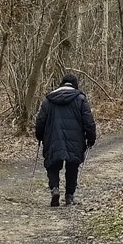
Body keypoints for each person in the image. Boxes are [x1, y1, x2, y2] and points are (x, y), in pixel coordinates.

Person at [33, 70, 98, 208]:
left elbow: (40, 121)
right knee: (72, 166)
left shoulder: (48, 100)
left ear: (61, 84)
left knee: (52, 164)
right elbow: (88, 121)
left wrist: (39, 136)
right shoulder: (81, 99)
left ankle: (55, 189)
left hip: (53, 137)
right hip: (75, 139)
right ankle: (69, 196)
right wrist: (91, 138)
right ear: (75, 85)